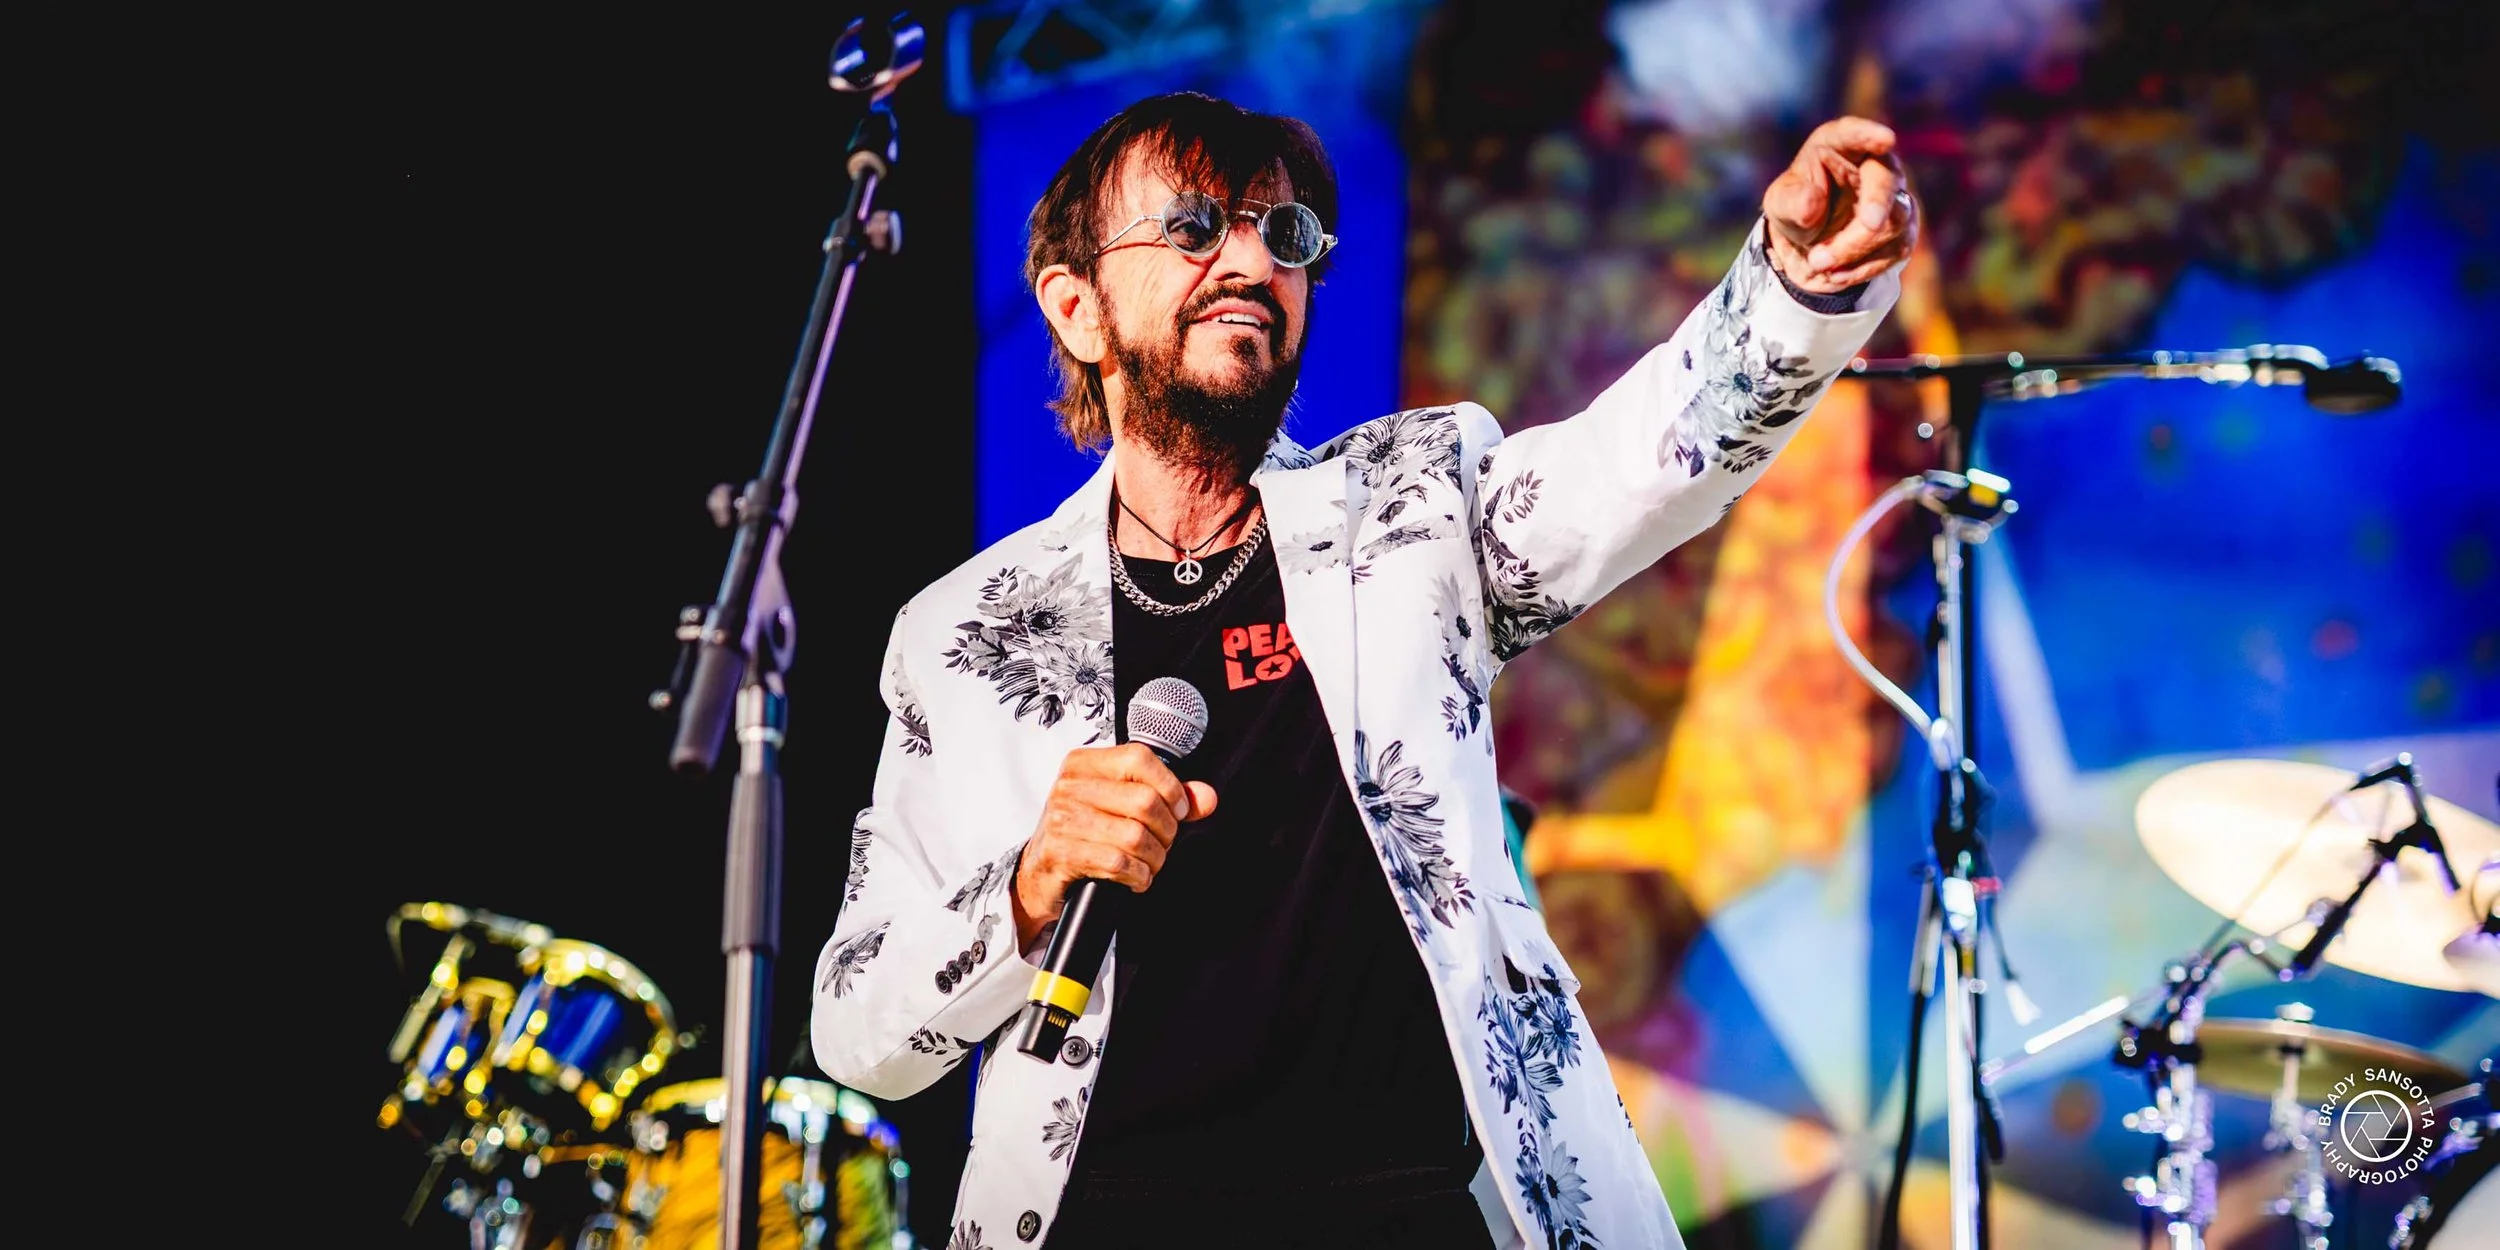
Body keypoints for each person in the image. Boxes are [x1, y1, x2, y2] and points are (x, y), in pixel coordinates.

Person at [811, 91, 1911, 1250]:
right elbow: (859, 1034)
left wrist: (1794, 291)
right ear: (1074, 306)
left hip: (1401, 1213)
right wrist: (1030, 887)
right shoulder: (964, 633)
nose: (1248, 260)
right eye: (1192, 227)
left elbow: (1638, 465)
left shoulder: (1414, 506)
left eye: (1282, 237)